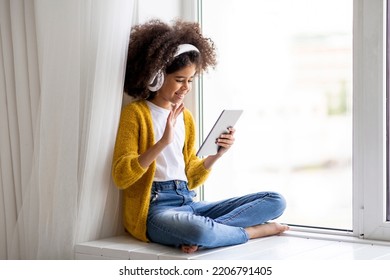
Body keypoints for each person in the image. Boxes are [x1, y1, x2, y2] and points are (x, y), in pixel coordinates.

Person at [112, 19, 288, 254]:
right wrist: (163, 142)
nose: (186, 87)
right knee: (198, 230)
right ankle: (250, 232)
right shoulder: (135, 114)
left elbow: (191, 178)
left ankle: (212, 234)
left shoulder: (186, 119)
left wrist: (217, 154)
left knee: (275, 201)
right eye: (179, 80)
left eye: (191, 80)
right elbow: (122, 176)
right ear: (156, 76)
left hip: (189, 203)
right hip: (155, 210)